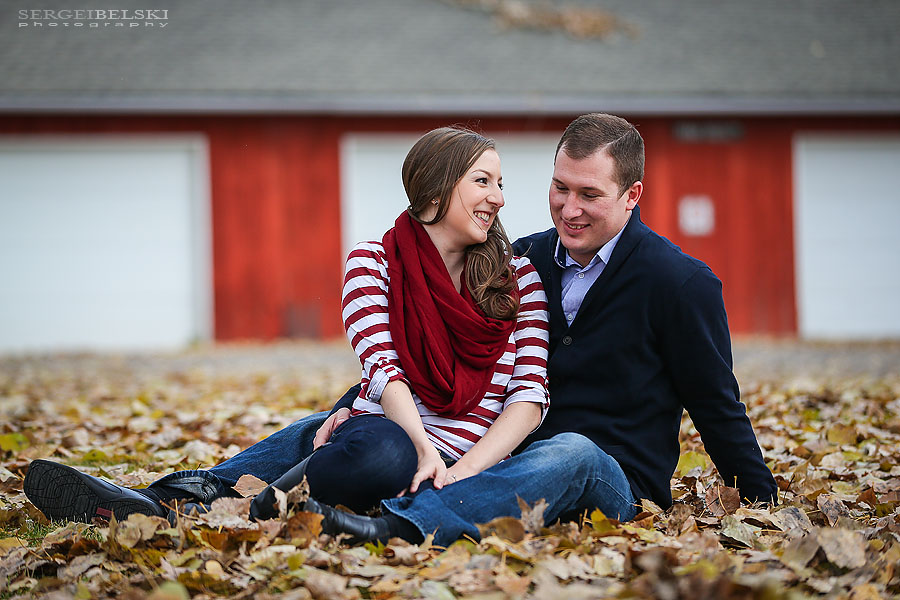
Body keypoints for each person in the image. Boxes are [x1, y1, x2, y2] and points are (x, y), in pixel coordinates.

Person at [25, 113, 777, 548]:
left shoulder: (680, 283)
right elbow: (423, 351)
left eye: (589, 195)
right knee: (343, 420)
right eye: (557, 188)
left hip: (607, 475)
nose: (566, 207)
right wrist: (358, 402)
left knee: (572, 448)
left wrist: (765, 503)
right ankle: (180, 495)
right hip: (499, 451)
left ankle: (395, 525)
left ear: (632, 194)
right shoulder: (524, 259)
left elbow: (716, 403)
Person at [24, 127, 551, 527]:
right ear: (434, 191)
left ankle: (227, 507)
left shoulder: (517, 277)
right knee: (380, 453)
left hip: (471, 457)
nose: (500, 198)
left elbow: (527, 396)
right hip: (392, 433)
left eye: (501, 183)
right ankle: (170, 501)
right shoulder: (373, 264)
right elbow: (383, 371)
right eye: (483, 181)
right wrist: (422, 447)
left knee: (339, 439)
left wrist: (456, 471)